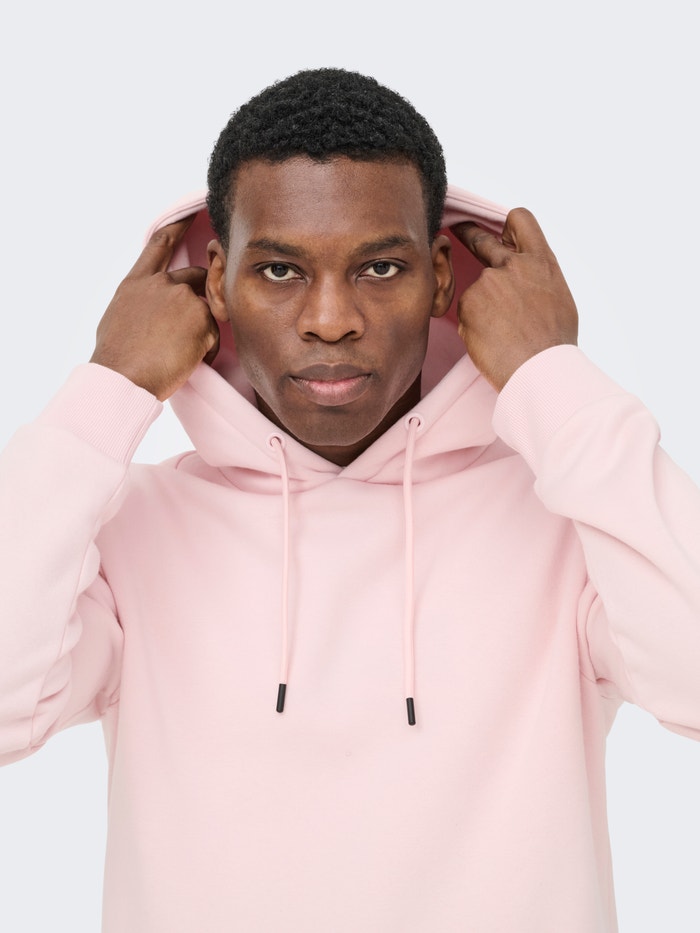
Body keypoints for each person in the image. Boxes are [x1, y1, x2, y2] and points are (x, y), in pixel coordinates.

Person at [1, 67, 698, 932]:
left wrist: (553, 380)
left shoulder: (571, 519)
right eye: (280, 269)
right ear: (216, 283)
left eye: (379, 266)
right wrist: (107, 391)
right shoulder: (127, 530)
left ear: (440, 278)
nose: (331, 318)